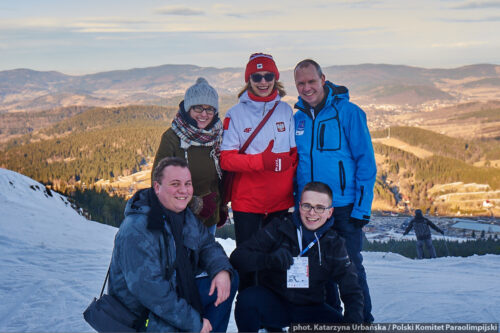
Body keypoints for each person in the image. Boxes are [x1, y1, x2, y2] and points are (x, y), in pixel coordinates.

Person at [109, 157, 238, 332]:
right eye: (175, 184)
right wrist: (194, 323)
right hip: (143, 315)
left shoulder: (184, 216)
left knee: (229, 279)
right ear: (157, 187)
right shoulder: (136, 230)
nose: (183, 191)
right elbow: (152, 293)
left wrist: (221, 270)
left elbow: (207, 244)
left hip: (175, 288)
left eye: (187, 183)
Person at [293, 59, 377, 323]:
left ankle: (362, 322)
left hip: (342, 206)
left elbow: (366, 161)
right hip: (309, 210)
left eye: (311, 81)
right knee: (317, 270)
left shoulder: (349, 113)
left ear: (323, 79)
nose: (307, 88)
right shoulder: (297, 120)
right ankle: (330, 322)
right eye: (301, 83)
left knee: (349, 269)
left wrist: (362, 207)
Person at [230, 182, 364, 331]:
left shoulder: (334, 244)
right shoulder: (280, 227)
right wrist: (269, 260)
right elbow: (238, 257)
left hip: (311, 309)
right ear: (299, 206)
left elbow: (351, 289)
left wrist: (353, 323)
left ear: (330, 212)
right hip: (275, 304)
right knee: (247, 300)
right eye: (307, 206)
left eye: (320, 208)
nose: (312, 213)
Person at [220, 53, 297, 291]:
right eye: (257, 76)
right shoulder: (235, 114)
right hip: (248, 203)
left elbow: (293, 157)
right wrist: (261, 162)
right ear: (248, 79)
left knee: (278, 262)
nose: (263, 82)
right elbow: (227, 160)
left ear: (276, 78)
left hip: (279, 203)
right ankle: (249, 315)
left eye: (268, 76)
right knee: (248, 262)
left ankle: (273, 318)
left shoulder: (285, 111)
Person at [152, 77, 225, 235]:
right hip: (180, 219)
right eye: (198, 108)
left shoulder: (218, 136)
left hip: (209, 220)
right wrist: (195, 203)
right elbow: (158, 181)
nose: (204, 114)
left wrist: (222, 206)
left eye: (210, 109)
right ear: (187, 109)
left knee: (207, 259)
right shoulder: (173, 138)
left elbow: (218, 178)